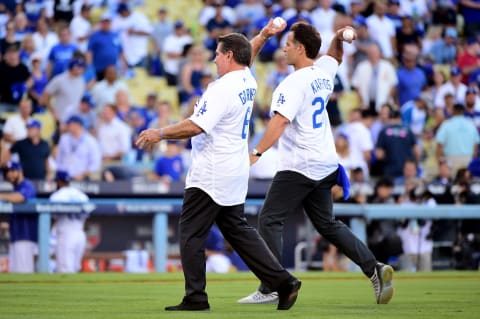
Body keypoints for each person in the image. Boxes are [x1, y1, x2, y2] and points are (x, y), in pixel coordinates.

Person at [136, 19, 301, 311]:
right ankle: (283, 281)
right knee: (237, 229)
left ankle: (196, 297)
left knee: (190, 233)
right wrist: (262, 35)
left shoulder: (222, 88)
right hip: (234, 168)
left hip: (211, 172)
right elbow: (247, 54)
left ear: (228, 56)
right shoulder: (247, 79)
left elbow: (197, 126)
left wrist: (158, 132)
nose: (213, 57)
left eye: (217, 52)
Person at [241, 22, 394, 305]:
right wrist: (338, 38)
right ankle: (374, 268)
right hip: (326, 163)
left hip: (301, 163)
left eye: (288, 43)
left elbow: (280, 121)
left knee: (270, 218)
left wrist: (257, 152)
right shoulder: (323, 73)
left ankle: (273, 285)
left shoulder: (292, 82)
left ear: (300, 48)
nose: (284, 48)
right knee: (327, 223)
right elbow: (335, 56)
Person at [0, 162, 37, 273]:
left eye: (12, 171)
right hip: (16, 236)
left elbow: (20, 198)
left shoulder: (27, 185)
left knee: (23, 272)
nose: (9, 175)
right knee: (15, 272)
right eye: (7, 172)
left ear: (20, 171)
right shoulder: (16, 188)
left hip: (25, 237)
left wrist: (1, 196)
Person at [49, 170, 89, 273]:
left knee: (65, 270)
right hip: (80, 234)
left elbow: (52, 217)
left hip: (66, 235)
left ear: (58, 181)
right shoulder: (81, 195)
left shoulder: (56, 196)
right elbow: (87, 214)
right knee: (75, 269)